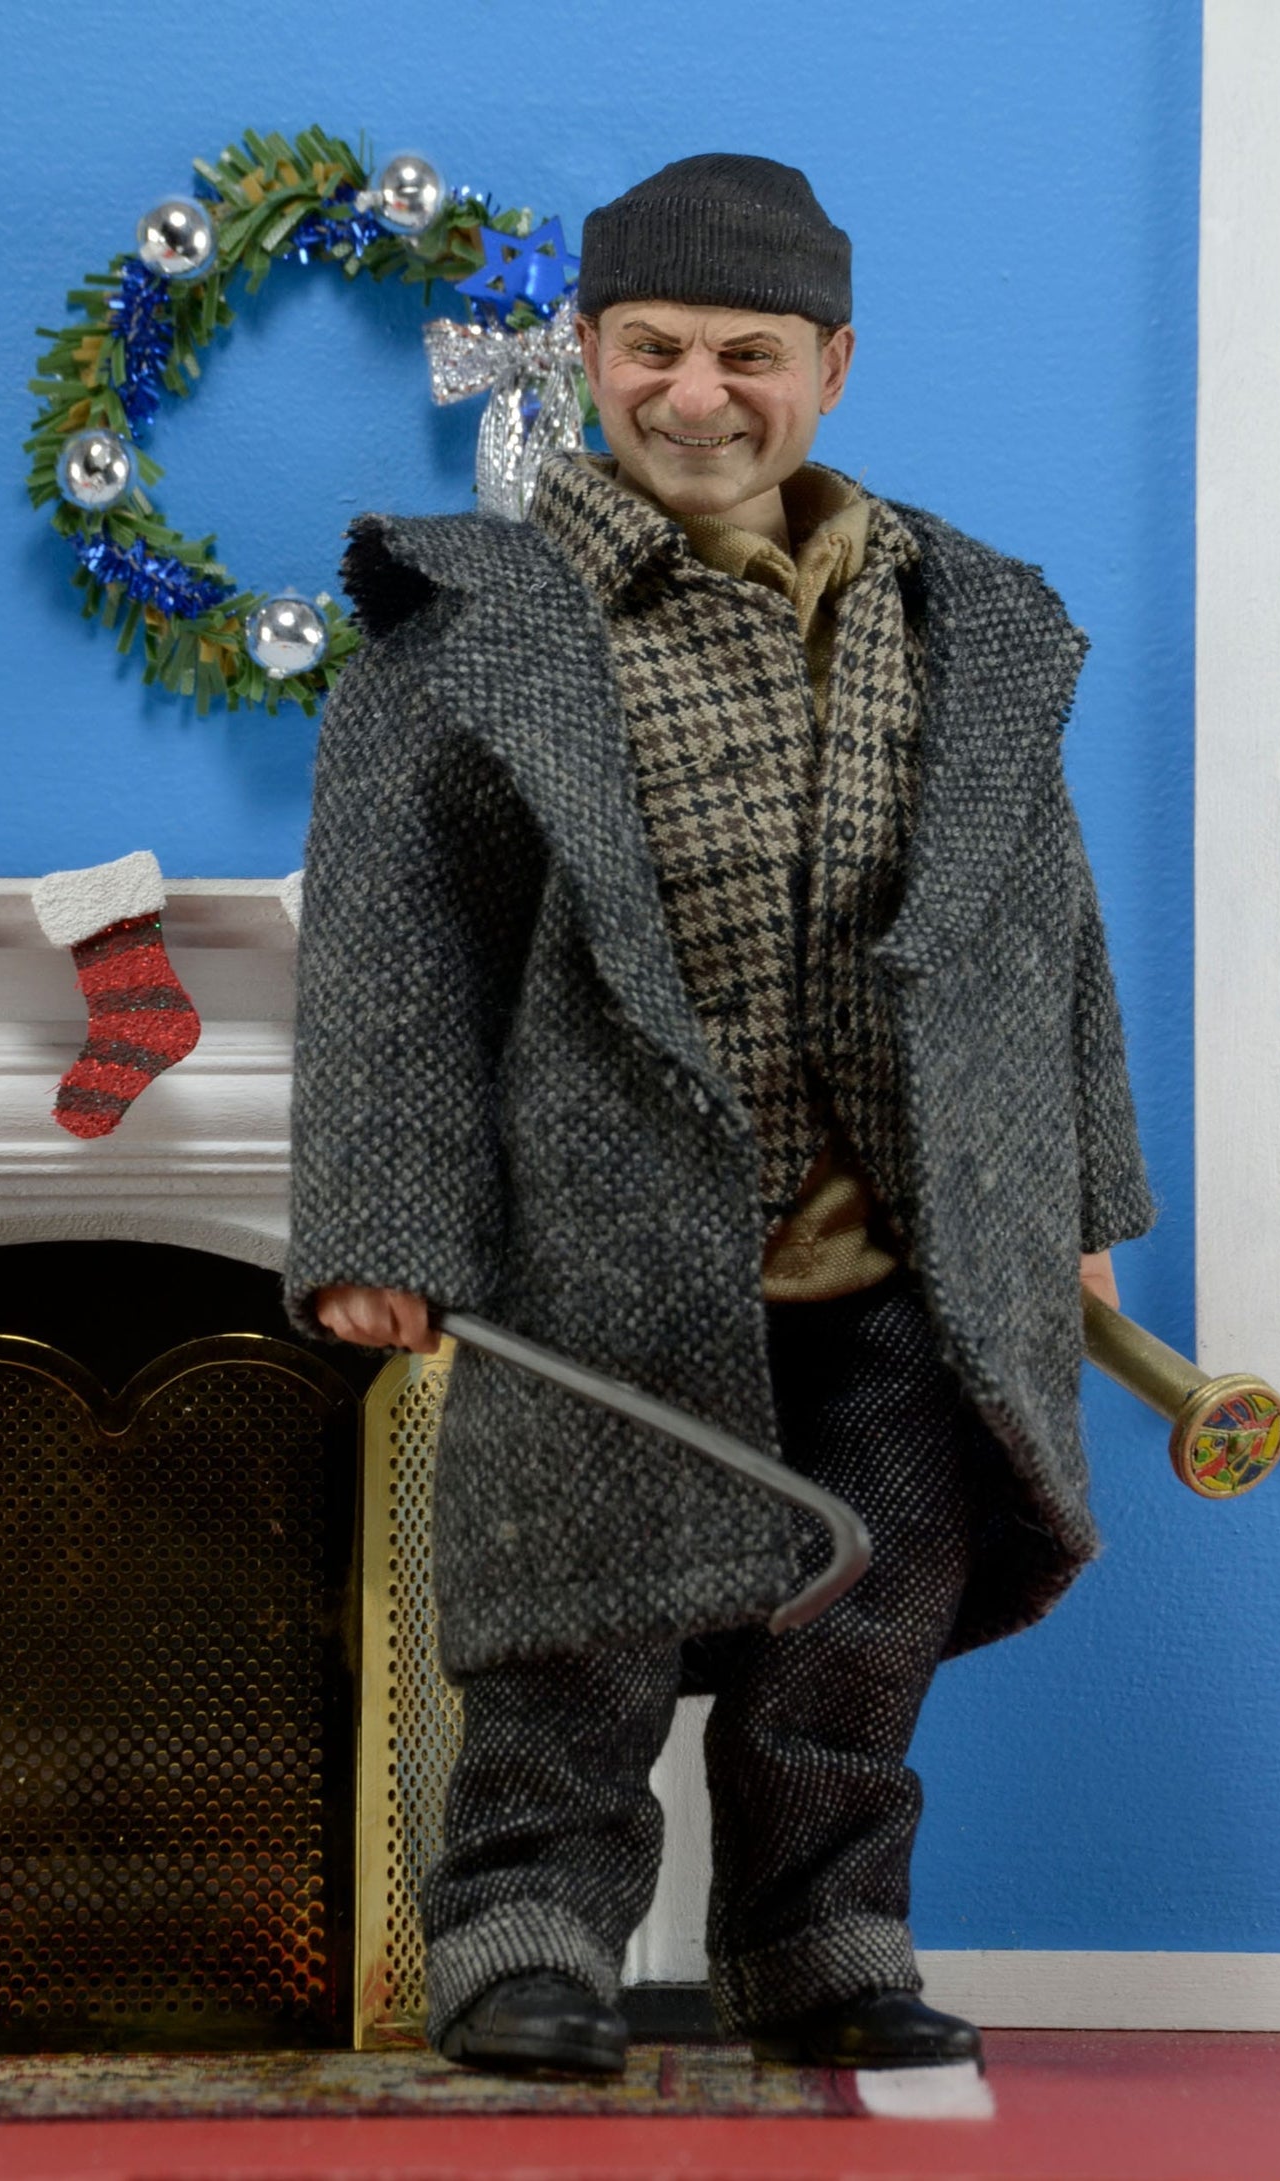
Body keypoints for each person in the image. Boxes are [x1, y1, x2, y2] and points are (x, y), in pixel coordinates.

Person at [286, 153, 1154, 2077]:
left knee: (864, 1625)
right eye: (653, 348)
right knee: (567, 1624)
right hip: (602, 1235)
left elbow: (1046, 924)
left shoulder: (957, 617)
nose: (695, 396)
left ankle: (820, 1938)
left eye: (747, 354)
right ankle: (527, 1936)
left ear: (830, 367)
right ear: (587, 352)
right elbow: (388, 954)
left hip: (903, 1240)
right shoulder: (474, 629)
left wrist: (1078, 1198)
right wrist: (377, 1225)